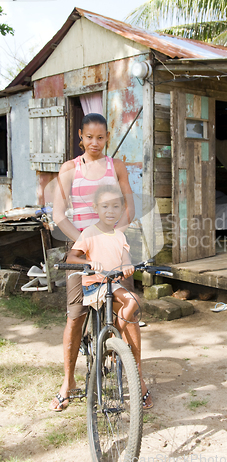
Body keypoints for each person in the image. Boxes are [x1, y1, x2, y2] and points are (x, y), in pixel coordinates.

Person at [50, 113, 153, 411]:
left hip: (113, 243)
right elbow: (59, 215)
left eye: (101, 137)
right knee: (76, 313)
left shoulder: (116, 166)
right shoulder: (69, 169)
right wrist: (87, 239)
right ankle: (68, 381)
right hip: (81, 248)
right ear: (80, 136)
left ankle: (138, 379)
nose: (95, 143)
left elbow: (129, 207)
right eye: (89, 137)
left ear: (107, 137)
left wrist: (109, 234)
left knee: (127, 309)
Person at [66, 186, 149, 394]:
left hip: (113, 283)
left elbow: (125, 258)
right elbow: (71, 257)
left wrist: (128, 266)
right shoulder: (89, 233)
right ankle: (112, 338)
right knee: (127, 301)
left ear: (122, 210)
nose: (110, 211)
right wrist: (89, 262)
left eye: (115, 206)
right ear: (95, 208)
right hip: (95, 285)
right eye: (105, 206)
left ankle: (113, 337)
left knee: (133, 300)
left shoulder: (120, 236)